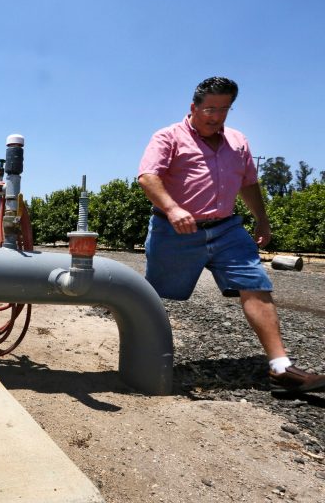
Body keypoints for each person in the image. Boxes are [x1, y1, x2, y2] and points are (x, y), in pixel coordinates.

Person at [138, 76, 325, 394]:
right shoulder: (168, 137)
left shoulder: (238, 141)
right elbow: (147, 177)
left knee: (255, 284)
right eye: (210, 108)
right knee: (152, 296)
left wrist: (262, 221)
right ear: (193, 107)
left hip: (227, 229)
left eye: (225, 108)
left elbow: (248, 183)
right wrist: (172, 208)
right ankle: (140, 358)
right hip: (175, 231)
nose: (217, 116)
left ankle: (280, 368)